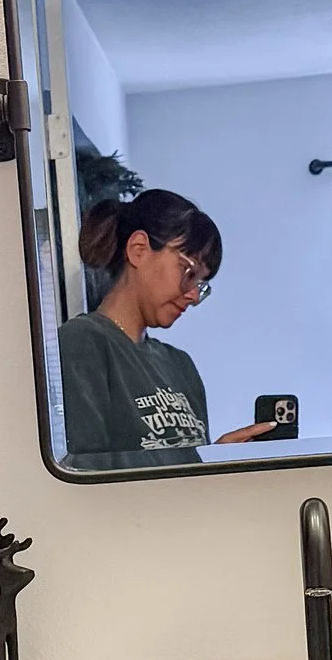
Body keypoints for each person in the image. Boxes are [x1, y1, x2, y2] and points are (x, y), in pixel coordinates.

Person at [56, 188, 276, 469]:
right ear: (139, 249)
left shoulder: (181, 366)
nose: (194, 296)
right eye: (189, 274)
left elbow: (181, 479)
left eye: (201, 285)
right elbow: (88, 478)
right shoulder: (81, 344)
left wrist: (215, 461)